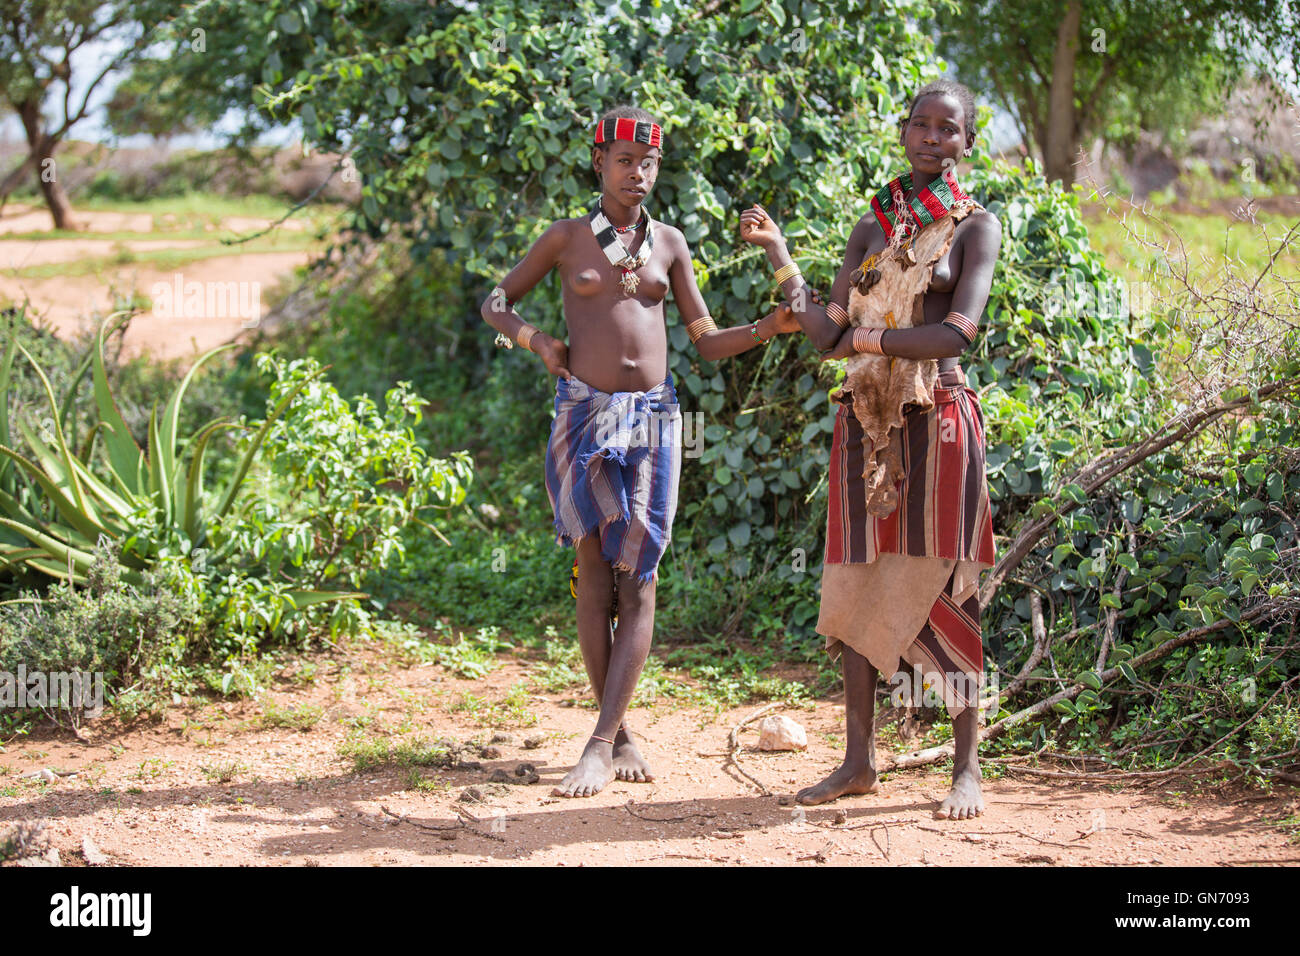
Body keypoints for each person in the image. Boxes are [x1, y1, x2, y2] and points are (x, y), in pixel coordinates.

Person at [482, 105, 799, 798]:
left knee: (642, 573)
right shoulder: (567, 239)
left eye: (649, 162)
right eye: (625, 160)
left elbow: (706, 338)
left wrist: (768, 326)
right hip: (584, 415)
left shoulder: (671, 244)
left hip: (656, 420)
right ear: (599, 164)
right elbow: (495, 303)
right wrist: (537, 343)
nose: (637, 173)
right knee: (595, 572)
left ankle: (598, 742)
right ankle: (615, 735)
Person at [739, 80, 1001, 820]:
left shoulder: (975, 228)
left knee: (946, 581)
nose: (929, 138)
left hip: (939, 416)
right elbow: (825, 335)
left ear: (965, 145)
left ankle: (966, 766)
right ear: (903, 131)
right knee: (854, 578)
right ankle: (858, 760)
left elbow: (955, 334)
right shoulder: (870, 228)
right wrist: (780, 256)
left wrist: (865, 339)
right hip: (865, 422)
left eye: (947, 129)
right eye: (919, 124)